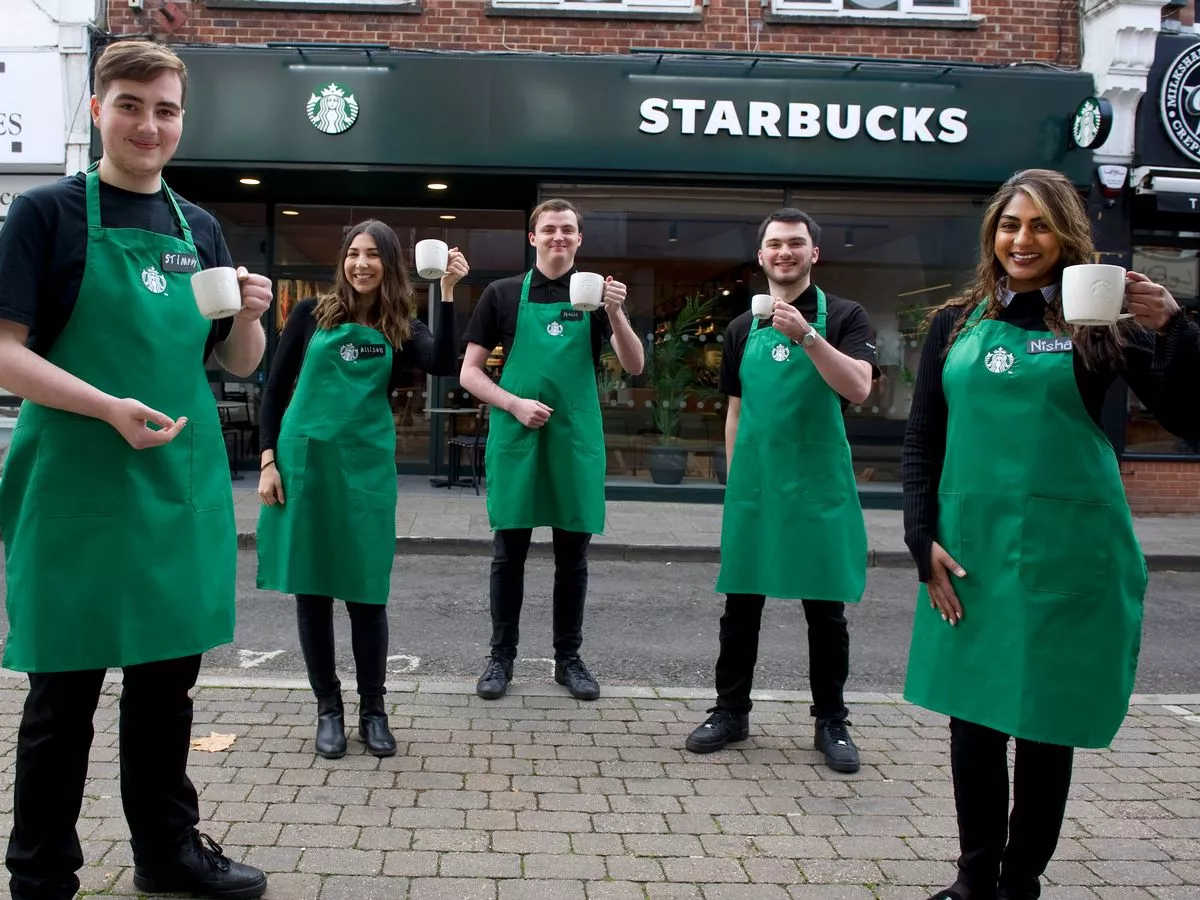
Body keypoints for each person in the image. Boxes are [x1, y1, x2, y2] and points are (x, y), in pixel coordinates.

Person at [0, 40, 271, 900]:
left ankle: (167, 852)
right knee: (62, 696)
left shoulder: (203, 228)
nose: (148, 124)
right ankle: (41, 874)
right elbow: (4, 355)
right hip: (77, 479)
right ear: (97, 110)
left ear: (181, 120)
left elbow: (234, 362)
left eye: (165, 109)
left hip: (174, 489)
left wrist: (250, 317)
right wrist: (108, 407)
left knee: (166, 689)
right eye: (130, 104)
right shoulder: (44, 215)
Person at [902, 168, 1200, 900]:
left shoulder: (1095, 324)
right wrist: (920, 538)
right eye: (1009, 225)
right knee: (973, 725)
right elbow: (921, 441)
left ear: (1065, 234)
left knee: (1043, 726)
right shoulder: (954, 323)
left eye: (1038, 225)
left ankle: (1019, 883)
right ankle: (975, 881)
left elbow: (1188, 417)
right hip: (970, 550)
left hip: (1067, 554)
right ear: (991, 235)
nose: (1021, 240)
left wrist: (1175, 329)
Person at [256, 221, 466, 759]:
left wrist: (445, 290)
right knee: (313, 591)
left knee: (367, 594)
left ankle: (374, 711)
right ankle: (329, 709)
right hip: (305, 464)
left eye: (372, 255)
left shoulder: (401, 326)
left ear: (389, 264)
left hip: (365, 470)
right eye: (353, 254)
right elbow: (275, 391)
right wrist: (268, 461)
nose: (361, 264)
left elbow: (443, 361)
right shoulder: (310, 314)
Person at [685, 208, 878, 774]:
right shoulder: (742, 326)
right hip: (758, 486)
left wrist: (809, 336)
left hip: (818, 485)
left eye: (795, 244)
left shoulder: (845, 316)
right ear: (761, 255)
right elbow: (736, 409)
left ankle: (831, 721)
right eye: (774, 244)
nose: (784, 253)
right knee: (741, 604)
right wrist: (734, 478)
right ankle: (730, 712)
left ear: (814, 253)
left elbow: (860, 388)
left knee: (825, 609)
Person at [459, 198, 644, 701]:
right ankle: (501, 658)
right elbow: (469, 373)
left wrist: (617, 313)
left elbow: (634, 365)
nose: (558, 237)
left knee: (573, 558)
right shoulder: (499, 295)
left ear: (579, 240)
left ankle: (569, 659)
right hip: (518, 435)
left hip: (574, 439)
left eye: (568, 230)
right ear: (533, 238)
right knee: (508, 554)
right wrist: (514, 404)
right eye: (549, 230)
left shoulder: (596, 297)